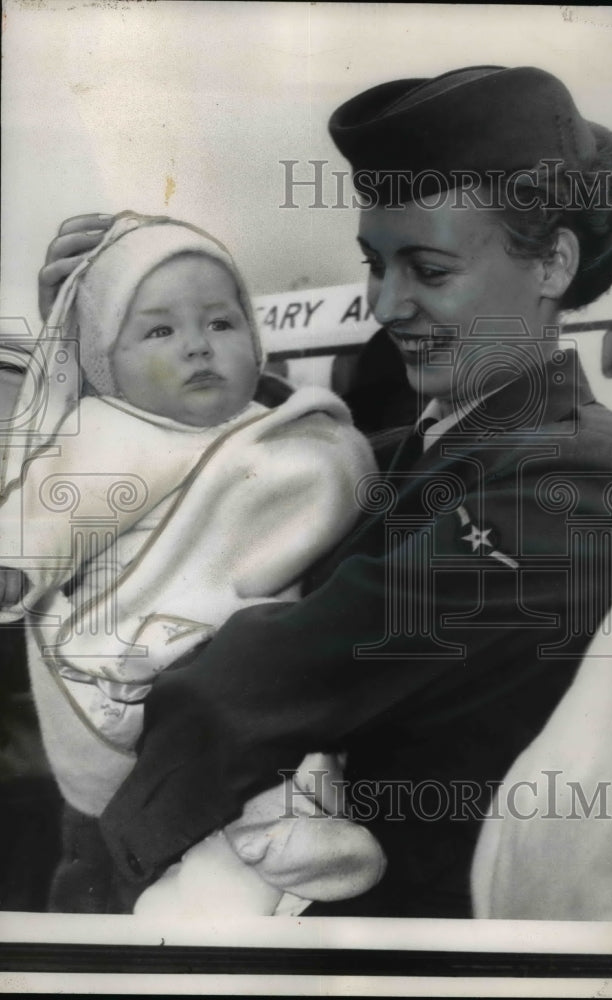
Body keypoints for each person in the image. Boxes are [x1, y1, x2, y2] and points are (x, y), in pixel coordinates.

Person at [37, 66, 612, 918]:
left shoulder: (572, 483)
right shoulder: (404, 452)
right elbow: (226, 452)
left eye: (428, 269)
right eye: (376, 265)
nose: (387, 304)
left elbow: (242, 688)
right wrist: (95, 354)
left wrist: (92, 889)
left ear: (553, 264)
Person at [0, 212, 384, 914]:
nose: (197, 348)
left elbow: (342, 480)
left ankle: (295, 832)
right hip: (140, 669)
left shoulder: (282, 425)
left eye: (220, 323)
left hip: (252, 670)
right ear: (106, 363)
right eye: (159, 331)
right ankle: (214, 892)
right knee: (205, 805)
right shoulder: (109, 434)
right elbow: (45, 518)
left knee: (278, 748)